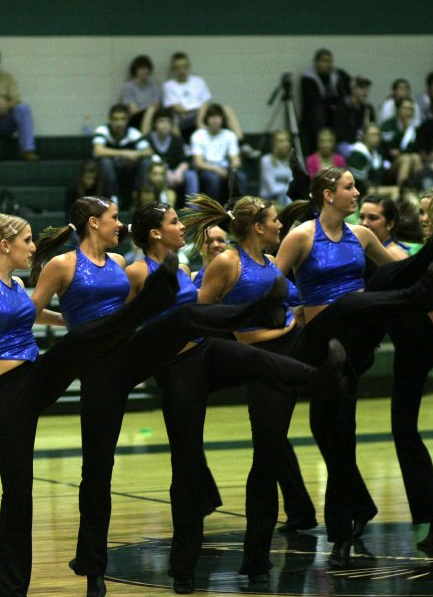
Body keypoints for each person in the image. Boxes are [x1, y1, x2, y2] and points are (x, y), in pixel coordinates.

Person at [27, 197, 324, 596]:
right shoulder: (76, 266)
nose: (121, 224)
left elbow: (128, 318)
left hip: (155, 352)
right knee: (98, 471)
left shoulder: (119, 266)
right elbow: (33, 312)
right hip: (110, 366)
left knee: (243, 355)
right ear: (94, 222)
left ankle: (321, 377)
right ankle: (93, 566)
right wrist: (71, 328)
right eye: (115, 218)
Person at [0, 212, 180, 597]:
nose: (33, 247)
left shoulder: (18, 283)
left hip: (36, 376)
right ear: (5, 245)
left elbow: (38, 316)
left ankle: (147, 305)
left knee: (82, 339)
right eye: (27, 240)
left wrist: (72, 321)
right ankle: (12, 590)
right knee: (18, 494)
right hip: (7, 393)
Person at [189, 187, 433, 574]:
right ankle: (255, 557)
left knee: (339, 433)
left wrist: (291, 317)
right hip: (263, 359)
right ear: (259, 227)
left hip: (301, 347)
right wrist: (250, 332)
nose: (281, 223)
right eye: (274, 220)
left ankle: (342, 541)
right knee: (266, 459)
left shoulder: (269, 262)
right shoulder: (228, 262)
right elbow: (204, 314)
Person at [125, 201, 346, 593]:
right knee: (187, 467)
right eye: (174, 222)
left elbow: (203, 317)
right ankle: (183, 568)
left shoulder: (186, 269)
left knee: (254, 364)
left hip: (208, 351)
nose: (182, 227)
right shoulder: (139, 271)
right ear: (155, 233)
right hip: (178, 368)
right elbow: (131, 322)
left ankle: (318, 378)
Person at [384, 188, 433, 551]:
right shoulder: (429, 253)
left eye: (429, 211)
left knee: (404, 431)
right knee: (404, 432)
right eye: (421, 211)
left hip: (421, 343)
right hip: (417, 342)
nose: (422, 217)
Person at [162, 52, 247, 146]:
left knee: (226, 109)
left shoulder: (199, 81)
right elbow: (179, 108)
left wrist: (201, 113)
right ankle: (184, 149)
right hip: (183, 117)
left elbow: (206, 102)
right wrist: (199, 111)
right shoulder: (169, 85)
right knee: (172, 118)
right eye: (178, 67)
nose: (181, 70)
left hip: (202, 112)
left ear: (189, 67)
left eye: (184, 66)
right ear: (173, 69)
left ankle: (242, 144)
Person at [92, 103, 153, 208]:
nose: (119, 123)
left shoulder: (132, 132)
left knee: (145, 161)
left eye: (122, 119)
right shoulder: (103, 130)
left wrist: (135, 154)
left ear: (127, 120)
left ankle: (138, 196)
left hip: (128, 169)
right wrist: (125, 153)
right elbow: (98, 151)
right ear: (110, 120)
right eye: (116, 119)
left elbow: (148, 151)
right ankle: (113, 198)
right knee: (106, 162)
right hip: (107, 171)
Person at [189, 104, 246, 201]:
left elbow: (236, 159)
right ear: (207, 119)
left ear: (222, 119)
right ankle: (214, 211)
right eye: (212, 117)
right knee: (213, 178)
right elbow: (199, 163)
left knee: (240, 176)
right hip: (206, 169)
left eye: (218, 117)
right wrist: (216, 169)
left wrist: (232, 167)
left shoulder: (230, 135)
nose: (215, 120)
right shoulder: (198, 135)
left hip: (225, 168)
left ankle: (239, 209)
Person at [300, 48, 351, 154]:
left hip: (334, 118)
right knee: (318, 110)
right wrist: (332, 103)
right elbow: (312, 101)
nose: (328, 64)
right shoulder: (307, 78)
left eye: (329, 61)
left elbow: (346, 91)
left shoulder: (337, 75)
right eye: (324, 61)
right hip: (315, 119)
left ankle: (341, 144)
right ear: (316, 62)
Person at [380, 98, 422, 186]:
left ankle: (420, 189)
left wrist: (401, 151)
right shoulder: (388, 125)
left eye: (411, 109)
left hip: (407, 158)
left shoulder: (413, 128)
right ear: (398, 109)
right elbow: (389, 150)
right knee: (405, 158)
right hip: (388, 165)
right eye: (405, 108)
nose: (408, 112)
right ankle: (402, 190)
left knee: (416, 157)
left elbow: (414, 148)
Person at [146, 108, 189, 193]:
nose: (165, 124)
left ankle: (192, 205)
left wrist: (178, 172)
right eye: (161, 121)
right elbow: (149, 157)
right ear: (155, 124)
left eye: (168, 122)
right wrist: (166, 172)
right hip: (156, 171)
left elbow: (185, 161)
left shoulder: (177, 140)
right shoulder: (148, 139)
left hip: (174, 171)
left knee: (191, 175)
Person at [334, 75, 375, 152]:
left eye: (366, 88)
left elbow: (373, 127)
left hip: (364, 143)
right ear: (353, 89)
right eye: (361, 88)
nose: (365, 92)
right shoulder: (343, 107)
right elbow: (340, 133)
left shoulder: (368, 109)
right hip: (346, 143)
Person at [347, 123, 391, 194]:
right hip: (358, 191)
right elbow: (358, 181)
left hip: (374, 188)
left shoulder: (378, 153)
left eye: (378, 135)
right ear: (364, 136)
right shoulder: (357, 153)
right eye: (372, 135)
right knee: (394, 191)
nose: (376, 138)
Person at [120, 54, 160, 131]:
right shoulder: (129, 87)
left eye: (146, 68)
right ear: (135, 70)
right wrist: (148, 110)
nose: (144, 71)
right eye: (141, 68)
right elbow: (133, 110)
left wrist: (150, 111)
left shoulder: (153, 86)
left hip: (153, 117)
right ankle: (145, 138)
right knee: (150, 110)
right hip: (135, 119)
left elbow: (156, 106)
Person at [260, 130, 294, 203]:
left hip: (287, 198)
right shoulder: (266, 160)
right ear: (274, 144)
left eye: (287, 140)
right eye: (281, 141)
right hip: (269, 199)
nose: (285, 144)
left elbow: (292, 183)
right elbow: (272, 188)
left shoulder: (292, 161)